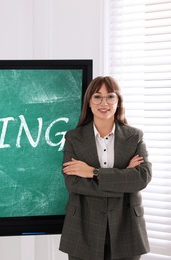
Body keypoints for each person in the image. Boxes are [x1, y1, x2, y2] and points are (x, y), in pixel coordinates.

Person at [59, 76, 152, 260]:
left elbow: (142, 178)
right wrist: (123, 178)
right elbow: (74, 184)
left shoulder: (134, 136)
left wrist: (93, 172)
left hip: (127, 228)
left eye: (110, 96)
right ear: (89, 102)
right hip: (83, 228)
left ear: (118, 101)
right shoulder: (73, 138)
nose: (104, 103)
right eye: (97, 97)